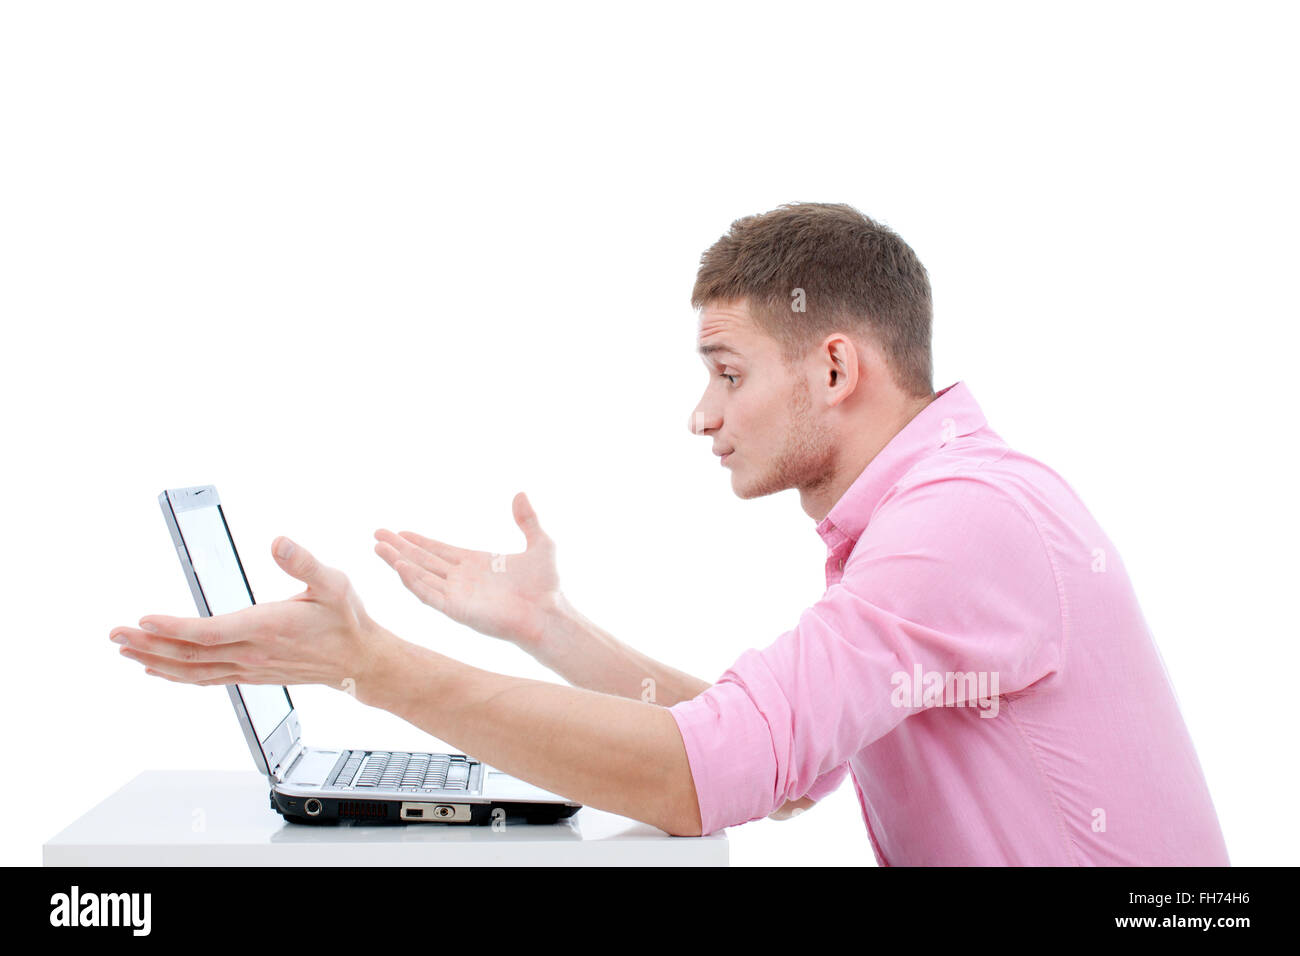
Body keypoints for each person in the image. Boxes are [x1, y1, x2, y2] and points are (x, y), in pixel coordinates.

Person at [110, 202, 1230, 864]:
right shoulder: (938, 512)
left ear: (835, 365)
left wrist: (375, 668)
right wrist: (549, 627)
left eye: (728, 373)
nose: (702, 415)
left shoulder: (958, 529)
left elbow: (710, 776)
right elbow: (774, 759)